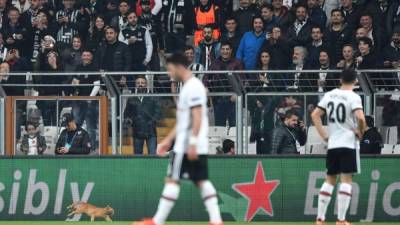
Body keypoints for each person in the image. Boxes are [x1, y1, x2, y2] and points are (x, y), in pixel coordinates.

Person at [133, 52, 223, 225]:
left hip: (187, 144)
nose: (169, 73)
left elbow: (197, 117)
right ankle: (216, 220)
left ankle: (157, 221)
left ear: (177, 66)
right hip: (191, 143)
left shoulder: (193, 87)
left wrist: (193, 142)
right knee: (201, 180)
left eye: (169, 69)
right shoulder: (188, 86)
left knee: (172, 180)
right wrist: (168, 140)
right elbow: (184, 120)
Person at [311, 68, 366, 225]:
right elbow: (361, 118)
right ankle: (341, 220)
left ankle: (320, 218)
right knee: (346, 180)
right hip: (348, 143)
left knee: (329, 179)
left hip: (333, 144)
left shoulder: (329, 95)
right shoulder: (354, 97)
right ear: (355, 81)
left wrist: (324, 136)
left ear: (340, 80)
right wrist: (360, 132)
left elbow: (315, 115)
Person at [207, 41, 243, 127]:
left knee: (234, 126)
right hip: (218, 99)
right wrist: (206, 87)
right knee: (219, 126)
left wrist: (237, 93)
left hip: (233, 99)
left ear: (231, 50)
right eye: (223, 49)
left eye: (227, 49)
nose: (225, 51)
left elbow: (243, 80)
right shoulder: (214, 63)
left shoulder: (237, 63)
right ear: (220, 50)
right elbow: (206, 77)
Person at [124, 76, 161, 155]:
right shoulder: (131, 97)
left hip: (151, 131)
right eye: (138, 83)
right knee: (137, 156)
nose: (140, 85)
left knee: (153, 155)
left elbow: (158, 112)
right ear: (135, 85)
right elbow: (127, 113)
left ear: (146, 84)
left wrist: (151, 122)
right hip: (137, 131)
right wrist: (130, 122)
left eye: (142, 83)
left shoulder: (153, 96)